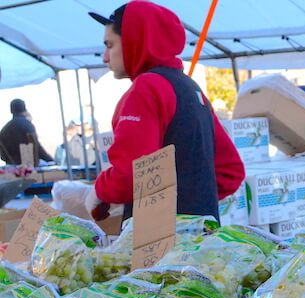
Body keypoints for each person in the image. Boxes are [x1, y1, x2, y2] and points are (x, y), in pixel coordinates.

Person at [85, 1, 244, 221]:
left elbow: (131, 174)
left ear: (134, 41)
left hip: (160, 245)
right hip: (203, 240)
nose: (104, 57)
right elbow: (230, 171)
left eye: (110, 45)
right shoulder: (190, 88)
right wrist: (191, 201)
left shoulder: (146, 89)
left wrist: (99, 190)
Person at [0, 99, 54, 165]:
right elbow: (36, 147)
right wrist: (51, 160)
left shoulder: (4, 130)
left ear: (11, 111)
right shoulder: (27, 124)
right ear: (24, 109)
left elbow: (2, 156)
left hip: (11, 169)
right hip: (29, 167)